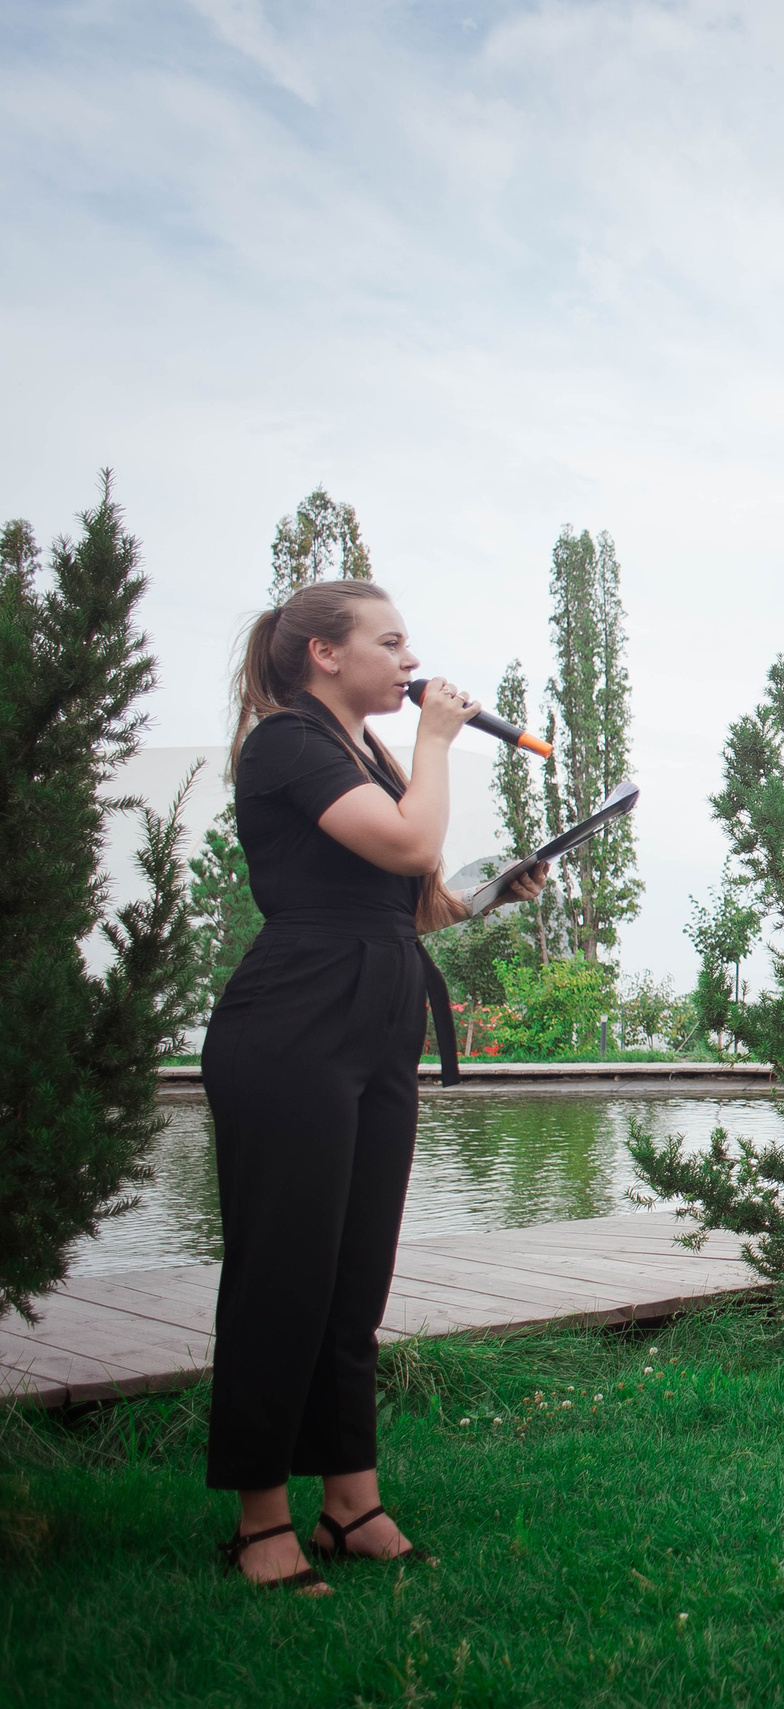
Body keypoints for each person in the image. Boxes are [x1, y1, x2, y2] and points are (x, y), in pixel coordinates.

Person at [203, 581, 547, 1593]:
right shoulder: (285, 744)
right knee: (284, 1274)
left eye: (410, 644)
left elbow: (410, 902)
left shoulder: (361, 753)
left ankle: (350, 1499)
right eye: (389, 642)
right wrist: (439, 740)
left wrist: (489, 889)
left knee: (355, 1276)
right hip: (293, 1024)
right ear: (322, 653)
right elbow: (406, 842)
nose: (410, 660)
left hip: (376, 1014)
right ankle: (259, 1516)